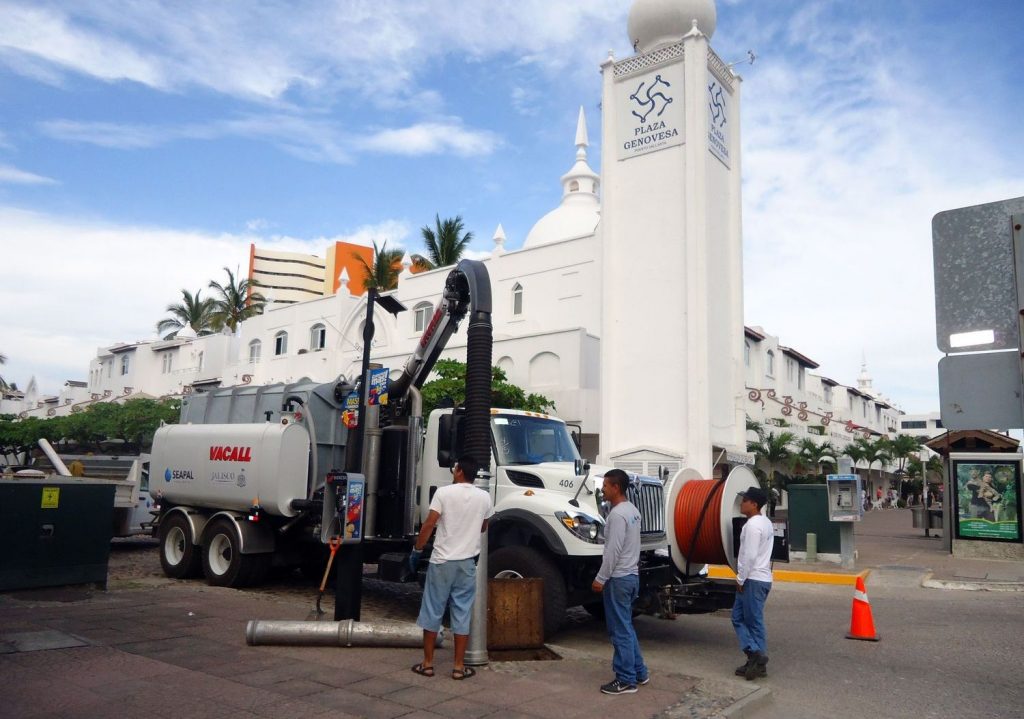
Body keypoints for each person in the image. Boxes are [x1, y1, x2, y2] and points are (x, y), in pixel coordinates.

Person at [409, 456, 493, 680]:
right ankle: (458, 667)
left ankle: (427, 664)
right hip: (467, 564)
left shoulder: (443, 494)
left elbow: (429, 524)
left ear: (458, 472)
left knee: (432, 611)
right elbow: (484, 526)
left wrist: (417, 549)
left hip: (442, 562)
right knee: (462, 613)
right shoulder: (484, 497)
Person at [591, 468, 649, 695]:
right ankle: (639, 672)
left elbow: (612, 552)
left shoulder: (616, 515)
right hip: (631, 575)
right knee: (626, 627)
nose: (603, 490)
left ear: (616, 487)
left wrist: (600, 578)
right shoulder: (633, 511)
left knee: (619, 631)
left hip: (618, 578)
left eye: (605, 486)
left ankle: (626, 680)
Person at [732, 486, 774, 681]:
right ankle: (755, 658)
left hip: (753, 579)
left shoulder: (753, 525)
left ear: (754, 504)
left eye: (745, 500)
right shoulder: (765, 522)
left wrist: (741, 578)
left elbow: (750, 555)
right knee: (740, 618)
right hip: (760, 578)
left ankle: (756, 655)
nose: (742, 503)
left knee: (750, 621)